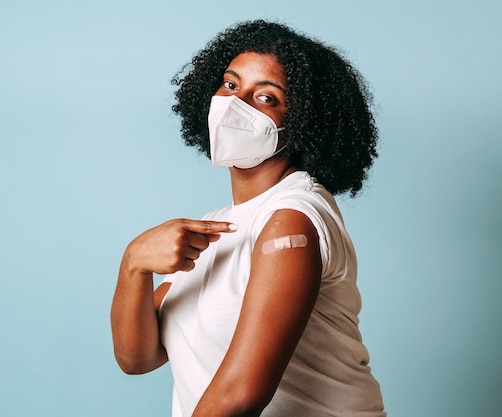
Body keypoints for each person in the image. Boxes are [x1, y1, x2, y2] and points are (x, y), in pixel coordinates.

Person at [110, 20, 386, 417]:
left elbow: (240, 395)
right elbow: (138, 357)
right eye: (231, 85)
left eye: (266, 98)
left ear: (304, 122)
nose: (235, 104)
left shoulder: (292, 220)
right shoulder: (217, 225)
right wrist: (134, 262)